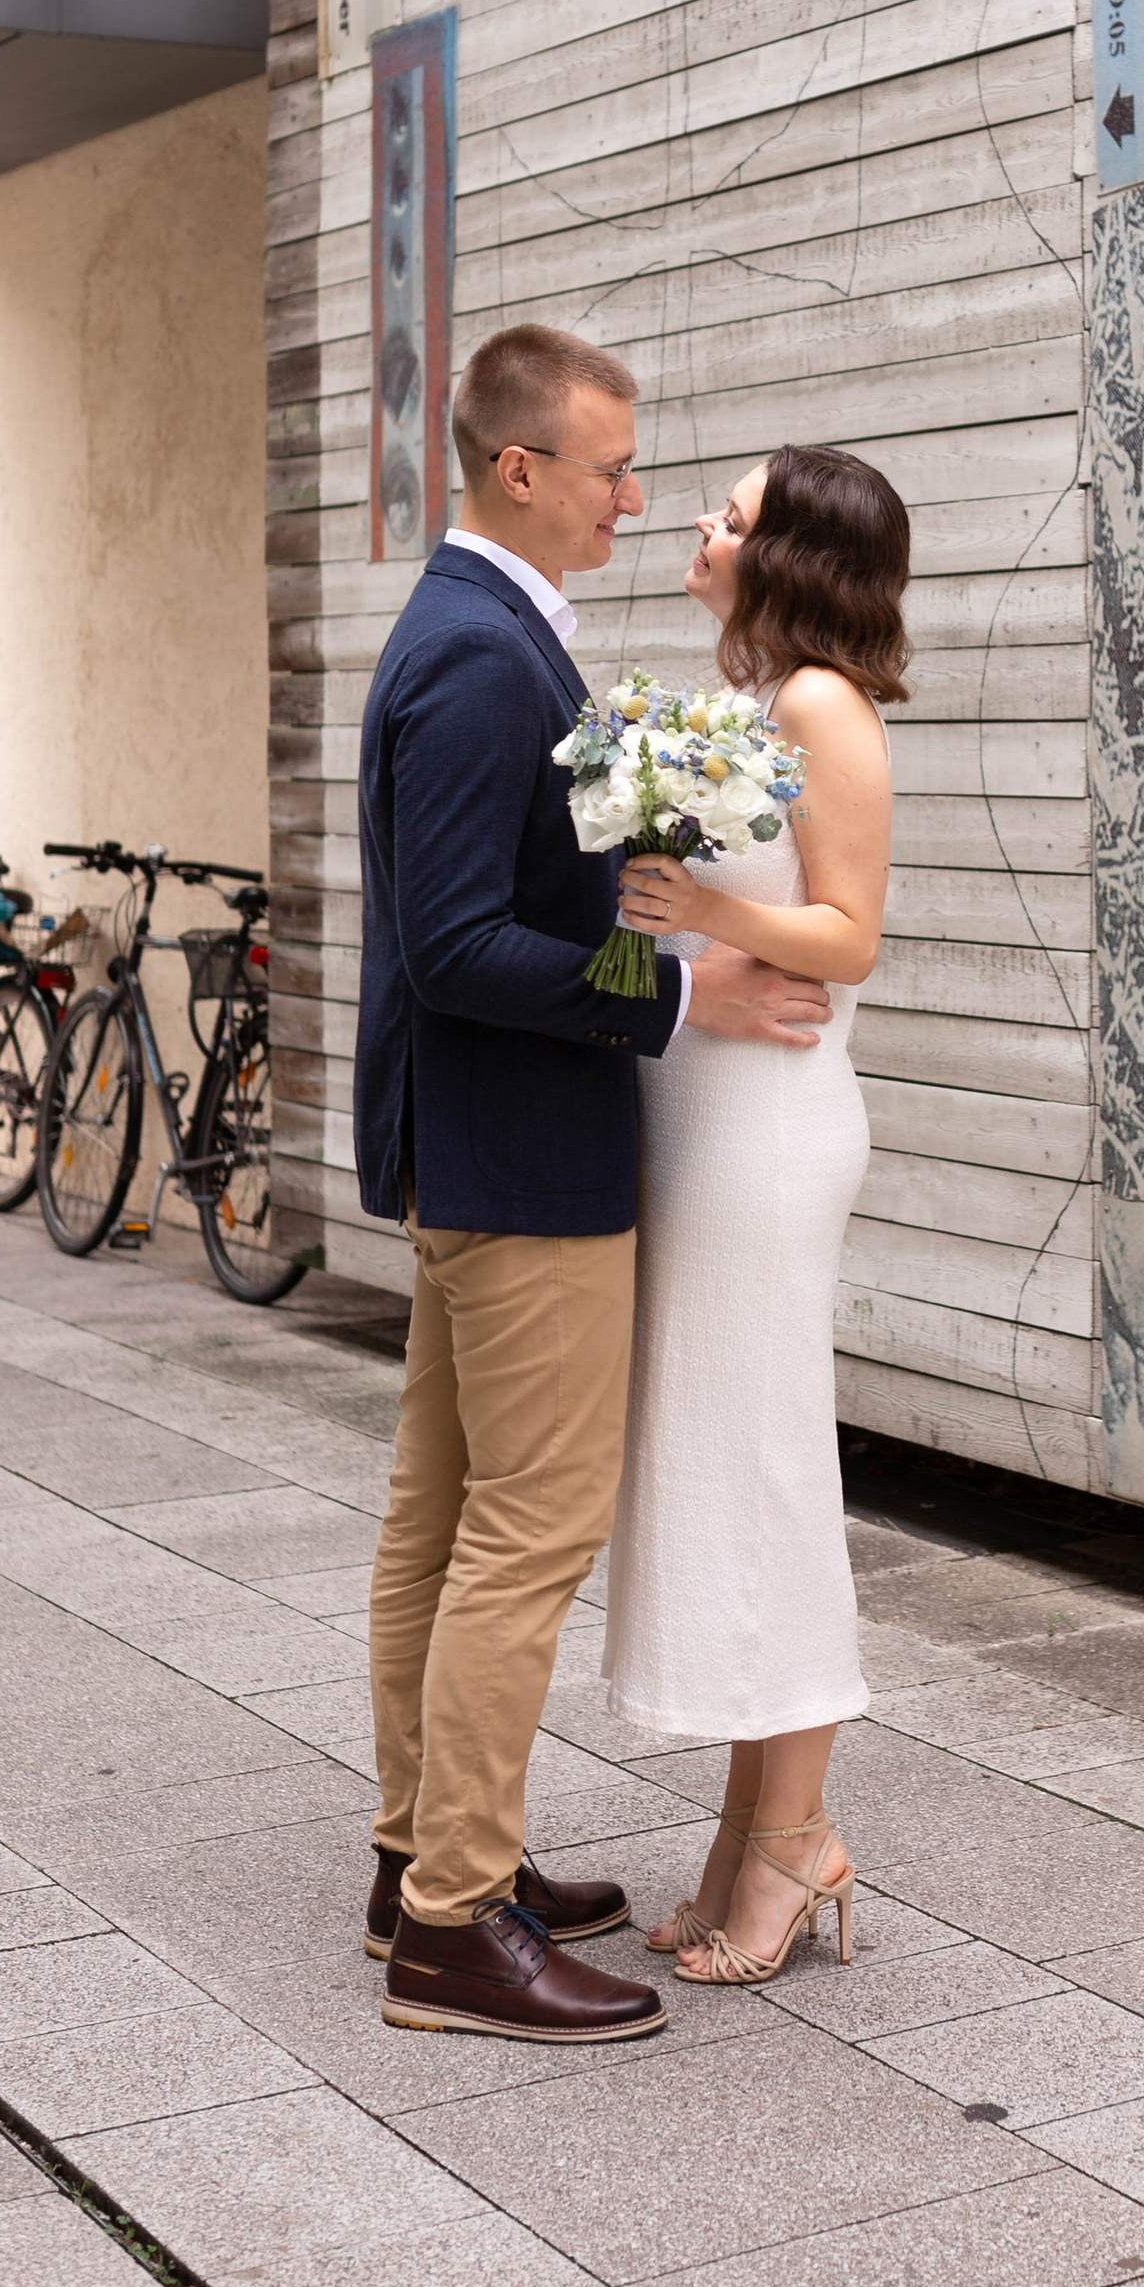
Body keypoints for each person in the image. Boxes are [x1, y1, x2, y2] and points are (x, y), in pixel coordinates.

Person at [354, 324, 832, 2045]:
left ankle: (424, 1857)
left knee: (441, 1516)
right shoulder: (481, 659)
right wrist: (680, 984)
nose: (639, 495)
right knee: (524, 1534)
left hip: (478, 1146)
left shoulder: (479, 631)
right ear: (520, 470)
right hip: (522, 1159)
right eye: (616, 468)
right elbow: (463, 944)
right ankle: (454, 1925)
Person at [601, 442, 910, 1984]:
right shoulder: (759, 698)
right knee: (731, 1464)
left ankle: (795, 1838)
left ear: (790, 554)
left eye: (731, 513)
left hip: (769, 1138)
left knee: (773, 1471)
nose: (703, 526)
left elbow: (847, 933)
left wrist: (702, 913)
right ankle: (744, 1832)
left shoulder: (819, 707)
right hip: (709, 1125)